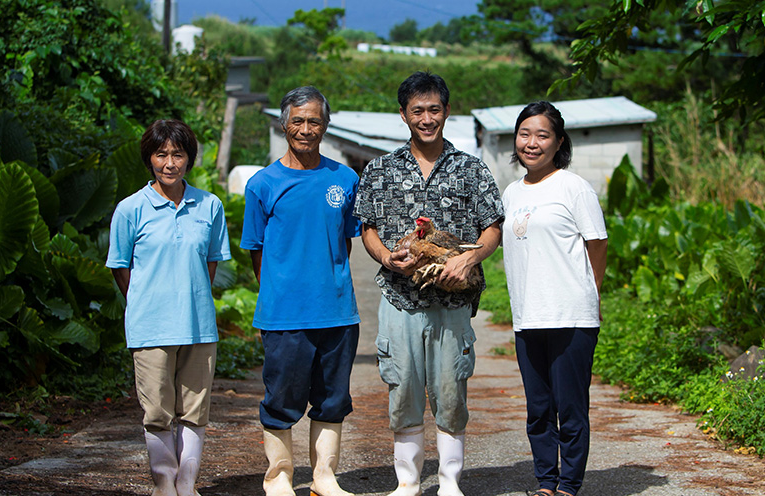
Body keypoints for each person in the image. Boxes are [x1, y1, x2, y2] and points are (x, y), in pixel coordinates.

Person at [354, 71, 504, 496]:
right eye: (417, 110)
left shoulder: (470, 169)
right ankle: (408, 482)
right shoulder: (381, 170)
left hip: (453, 302)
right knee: (402, 387)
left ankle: (450, 481)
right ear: (402, 114)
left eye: (434, 109)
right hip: (399, 298)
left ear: (447, 112)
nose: (426, 118)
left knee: (450, 388)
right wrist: (387, 258)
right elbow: (368, 228)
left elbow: (493, 227)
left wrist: (470, 257)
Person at [240, 86, 361, 496]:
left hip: (338, 312)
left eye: (314, 121)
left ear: (325, 125)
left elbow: (343, 243)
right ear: (283, 124)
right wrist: (281, 291)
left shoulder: (345, 179)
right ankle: (279, 477)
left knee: (333, 399)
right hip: (283, 314)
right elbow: (256, 252)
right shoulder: (262, 184)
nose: (306, 129)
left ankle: (324, 478)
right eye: (298, 120)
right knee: (282, 399)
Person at [106, 119, 232, 496]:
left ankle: (186, 482)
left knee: (195, 410)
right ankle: (163, 481)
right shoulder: (130, 210)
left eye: (178, 154)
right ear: (150, 158)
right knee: (158, 412)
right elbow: (120, 268)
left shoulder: (209, 206)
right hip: (151, 327)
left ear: (189, 160)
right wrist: (147, 301)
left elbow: (209, 263)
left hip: (198, 326)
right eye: (161, 154)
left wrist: (188, 297)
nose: (169, 163)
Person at [500, 101, 608, 496]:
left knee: (571, 407)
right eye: (525, 134)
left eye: (542, 135)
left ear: (559, 142)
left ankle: (569, 486)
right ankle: (546, 482)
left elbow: (597, 245)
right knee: (538, 409)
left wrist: (589, 294)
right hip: (528, 317)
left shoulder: (574, 187)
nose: (532, 143)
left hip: (572, 316)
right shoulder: (511, 193)